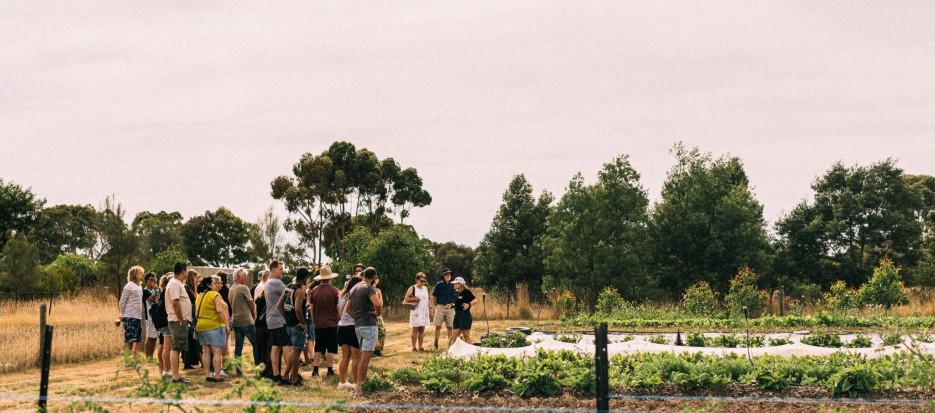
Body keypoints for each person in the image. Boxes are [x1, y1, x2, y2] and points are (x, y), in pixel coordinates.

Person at [346, 267, 382, 392]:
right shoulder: (369, 288)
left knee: (361, 356)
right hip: (369, 325)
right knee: (365, 358)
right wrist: (377, 313)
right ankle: (360, 386)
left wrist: (356, 318)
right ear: (373, 277)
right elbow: (377, 303)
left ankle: (361, 381)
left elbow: (347, 309)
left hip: (358, 326)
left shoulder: (354, 288)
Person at [196, 275, 230, 383]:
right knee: (217, 352)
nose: (216, 284)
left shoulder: (200, 295)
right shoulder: (215, 295)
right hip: (214, 326)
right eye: (214, 283)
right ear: (209, 285)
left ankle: (208, 374)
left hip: (201, 326)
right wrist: (227, 324)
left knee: (206, 351)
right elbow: (219, 310)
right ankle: (217, 375)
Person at [279, 267, 310, 386]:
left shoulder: (288, 287)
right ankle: (294, 379)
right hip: (297, 326)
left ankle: (285, 376)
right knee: (296, 353)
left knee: (294, 352)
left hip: (289, 324)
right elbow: (298, 308)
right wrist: (302, 323)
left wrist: (286, 318)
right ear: (305, 278)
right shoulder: (300, 291)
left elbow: (279, 305)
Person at [308, 266, 340, 377]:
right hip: (331, 323)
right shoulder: (334, 290)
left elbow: (311, 308)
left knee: (318, 347)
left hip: (318, 323)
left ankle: (315, 370)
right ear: (330, 278)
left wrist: (313, 320)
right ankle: (330, 370)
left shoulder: (314, 291)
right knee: (331, 347)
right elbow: (337, 308)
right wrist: (339, 319)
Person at [166, 262, 193, 384]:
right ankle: (175, 376)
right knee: (176, 347)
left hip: (180, 320)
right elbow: (175, 303)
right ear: (183, 271)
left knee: (177, 346)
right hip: (177, 320)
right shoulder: (174, 284)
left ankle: (177, 375)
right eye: (186, 271)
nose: (186, 273)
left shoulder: (177, 283)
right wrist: (181, 319)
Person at [264, 260, 290, 382]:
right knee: (286, 346)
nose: (282, 271)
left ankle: (275, 374)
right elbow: (290, 294)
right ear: (273, 270)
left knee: (275, 347)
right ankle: (288, 375)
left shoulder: (268, 282)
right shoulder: (276, 282)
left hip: (271, 319)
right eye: (280, 269)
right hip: (279, 319)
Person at [229, 268, 258, 372]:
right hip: (246, 320)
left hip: (236, 320)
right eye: (245, 276)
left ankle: (238, 369)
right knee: (256, 344)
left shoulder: (231, 289)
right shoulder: (243, 288)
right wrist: (254, 317)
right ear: (239, 277)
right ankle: (259, 367)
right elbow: (251, 303)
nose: (246, 278)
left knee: (238, 346)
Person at [337, 275, 363, 389]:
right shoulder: (355, 295)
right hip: (352, 326)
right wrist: (358, 319)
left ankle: (342, 382)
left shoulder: (342, 296)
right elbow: (350, 309)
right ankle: (357, 382)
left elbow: (339, 310)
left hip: (342, 326)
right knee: (356, 357)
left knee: (345, 356)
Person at [118, 265, 145, 354]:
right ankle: (128, 361)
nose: (142, 275)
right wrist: (122, 314)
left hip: (137, 316)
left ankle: (133, 360)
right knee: (130, 340)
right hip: (130, 316)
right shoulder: (129, 286)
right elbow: (122, 301)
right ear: (135, 274)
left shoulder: (139, 286)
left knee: (137, 339)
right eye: (140, 273)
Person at [430, 269, 456, 350]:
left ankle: (450, 345)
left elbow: (456, 297)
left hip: (451, 307)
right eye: (446, 274)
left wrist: (452, 305)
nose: (448, 276)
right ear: (443, 276)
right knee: (438, 326)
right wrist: (436, 306)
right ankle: (436, 343)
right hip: (440, 306)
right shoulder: (439, 284)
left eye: (449, 274)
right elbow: (434, 297)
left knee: (450, 327)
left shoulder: (453, 285)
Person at [404, 272, 430, 351]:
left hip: (424, 311)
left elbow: (427, 298)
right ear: (417, 280)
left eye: (424, 281)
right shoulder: (413, 288)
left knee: (422, 329)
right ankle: (414, 347)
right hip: (416, 311)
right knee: (415, 329)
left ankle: (420, 346)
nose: (422, 283)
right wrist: (415, 299)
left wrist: (430, 306)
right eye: (421, 281)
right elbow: (406, 298)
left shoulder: (425, 288)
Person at [450, 277, 478, 344]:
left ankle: (470, 352)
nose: (454, 284)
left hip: (465, 315)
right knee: (454, 338)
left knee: (466, 336)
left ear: (460, 284)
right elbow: (458, 304)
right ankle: (456, 353)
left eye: (455, 283)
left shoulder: (466, 292)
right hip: (457, 316)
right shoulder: (456, 293)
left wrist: (469, 304)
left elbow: (475, 300)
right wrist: (451, 306)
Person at [253, 270, 270, 375]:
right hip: (266, 325)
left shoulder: (259, 298)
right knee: (266, 350)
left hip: (259, 325)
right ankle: (266, 371)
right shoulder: (265, 293)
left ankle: (260, 371)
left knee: (261, 349)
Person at [184, 270, 202, 369]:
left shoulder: (192, 289)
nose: (196, 280)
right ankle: (188, 362)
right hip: (190, 317)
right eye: (195, 277)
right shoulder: (186, 289)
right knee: (190, 339)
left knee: (193, 340)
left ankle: (192, 361)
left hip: (193, 316)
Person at [141, 272, 161, 361]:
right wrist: (157, 290)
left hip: (157, 317)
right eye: (151, 280)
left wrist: (157, 290)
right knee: (150, 337)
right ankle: (148, 357)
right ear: (146, 281)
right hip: (149, 317)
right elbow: (153, 300)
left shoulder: (156, 290)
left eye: (154, 279)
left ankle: (151, 356)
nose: (153, 281)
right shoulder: (145, 291)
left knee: (154, 338)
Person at [157, 273, 173, 377]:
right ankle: (166, 369)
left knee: (164, 346)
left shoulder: (164, 292)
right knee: (167, 347)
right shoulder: (167, 292)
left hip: (163, 322)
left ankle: (165, 368)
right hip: (166, 322)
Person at [372, 275, 386, 356]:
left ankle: (378, 350)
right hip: (370, 313)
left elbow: (381, 302)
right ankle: (372, 350)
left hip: (377, 313)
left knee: (382, 331)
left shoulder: (378, 291)